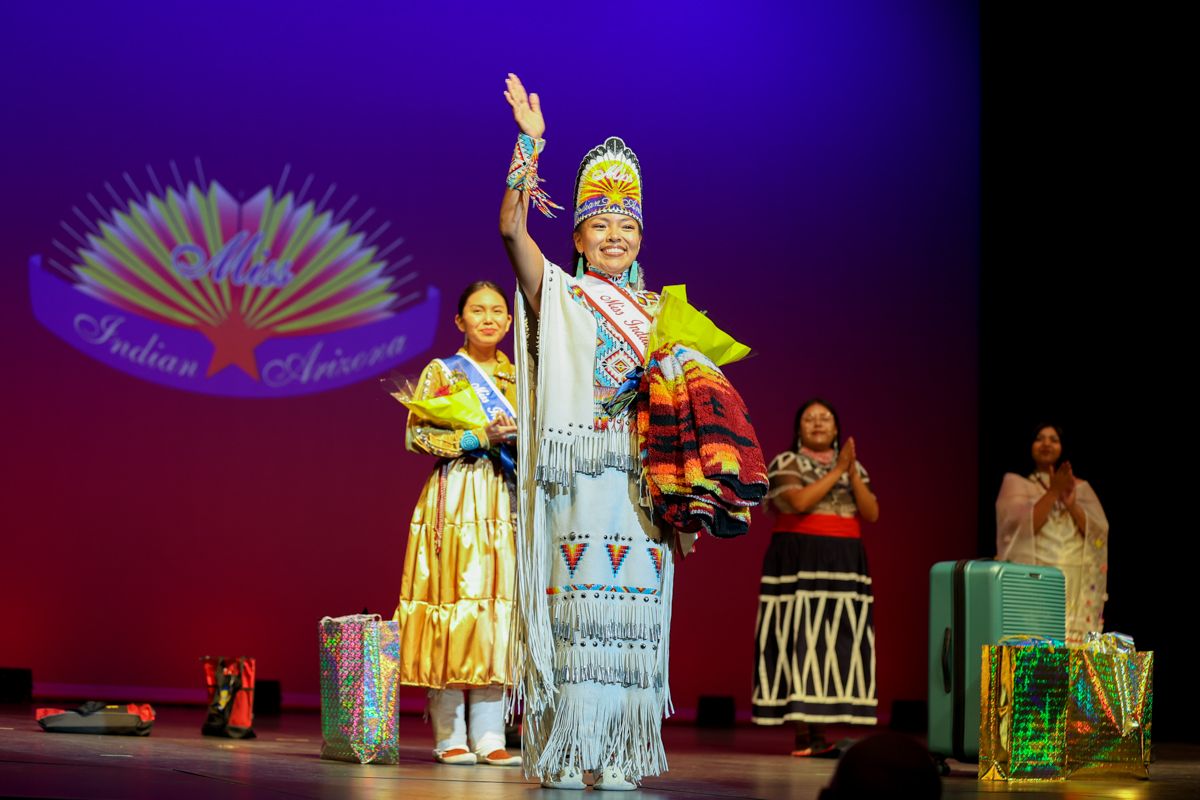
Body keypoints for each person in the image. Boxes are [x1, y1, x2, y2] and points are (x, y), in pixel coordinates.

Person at [499, 73, 688, 791]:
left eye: (628, 225)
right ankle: (569, 750)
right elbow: (512, 229)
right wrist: (529, 145)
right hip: (578, 483)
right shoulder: (561, 294)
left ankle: (616, 755)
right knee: (577, 620)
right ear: (577, 235)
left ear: (641, 236)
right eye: (600, 224)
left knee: (634, 630)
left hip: (642, 487)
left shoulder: (662, 312)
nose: (615, 235)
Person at [392, 281, 521, 767]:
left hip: (504, 497)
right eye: (477, 310)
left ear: (509, 322)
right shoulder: (443, 373)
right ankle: (450, 732)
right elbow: (416, 436)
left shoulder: (520, 375)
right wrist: (476, 437)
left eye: (497, 311)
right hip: (456, 495)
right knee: (452, 602)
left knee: (498, 605)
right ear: (459, 321)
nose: (488, 318)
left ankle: (490, 732)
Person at [751, 398, 880, 756]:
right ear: (799, 429)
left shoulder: (855, 468)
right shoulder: (786, 462)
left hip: (845, 558)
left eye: (826, 419)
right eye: (810, 419)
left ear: (837, 429)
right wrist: (839, 470)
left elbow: (871, 512)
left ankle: (820, 729)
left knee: (837, 640)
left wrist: (851, 471)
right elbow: (799, 502)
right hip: (800, 556)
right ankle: (805, 733)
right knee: (801, 638)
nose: (819, 424)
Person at [995, 424, 1108, 644]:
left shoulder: (1080, 487)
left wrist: (1071, 504)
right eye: (1040, 438)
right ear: (1029, 444)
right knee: (1037, 656)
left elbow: (1098, 536)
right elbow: (1020, 532)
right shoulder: (1017, 485)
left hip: (1074, 584)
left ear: (1063, 447)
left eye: (1054, 439)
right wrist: (1053, 491)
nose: (1046, 443)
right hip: (1037, 586)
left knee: (1074, 657)